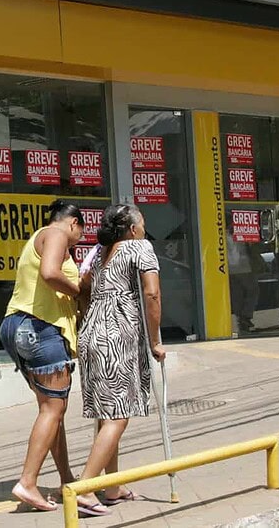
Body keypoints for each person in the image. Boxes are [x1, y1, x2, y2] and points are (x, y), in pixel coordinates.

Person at [75, 204, 166, 517]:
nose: (144, 227)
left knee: (106, 412)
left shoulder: (100, 252)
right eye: (141, 222)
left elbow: (84, 286)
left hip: (91, 332)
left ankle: (111, 486)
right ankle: (85, 488)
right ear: (132, 229)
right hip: (118, 334)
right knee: (118, 415)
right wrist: (155, 340)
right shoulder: (140, 247)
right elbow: (151, 295)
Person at [0, 200, 86, 511]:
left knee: (52, 411)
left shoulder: (37, 237)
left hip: (16, 325)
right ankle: (28, 481)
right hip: (39, 327)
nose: (77, 241)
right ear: (73, 222)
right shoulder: (58, 234)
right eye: (80, 233)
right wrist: (78, 289)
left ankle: (66, 478)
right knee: (53, 410)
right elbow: (50, 273)